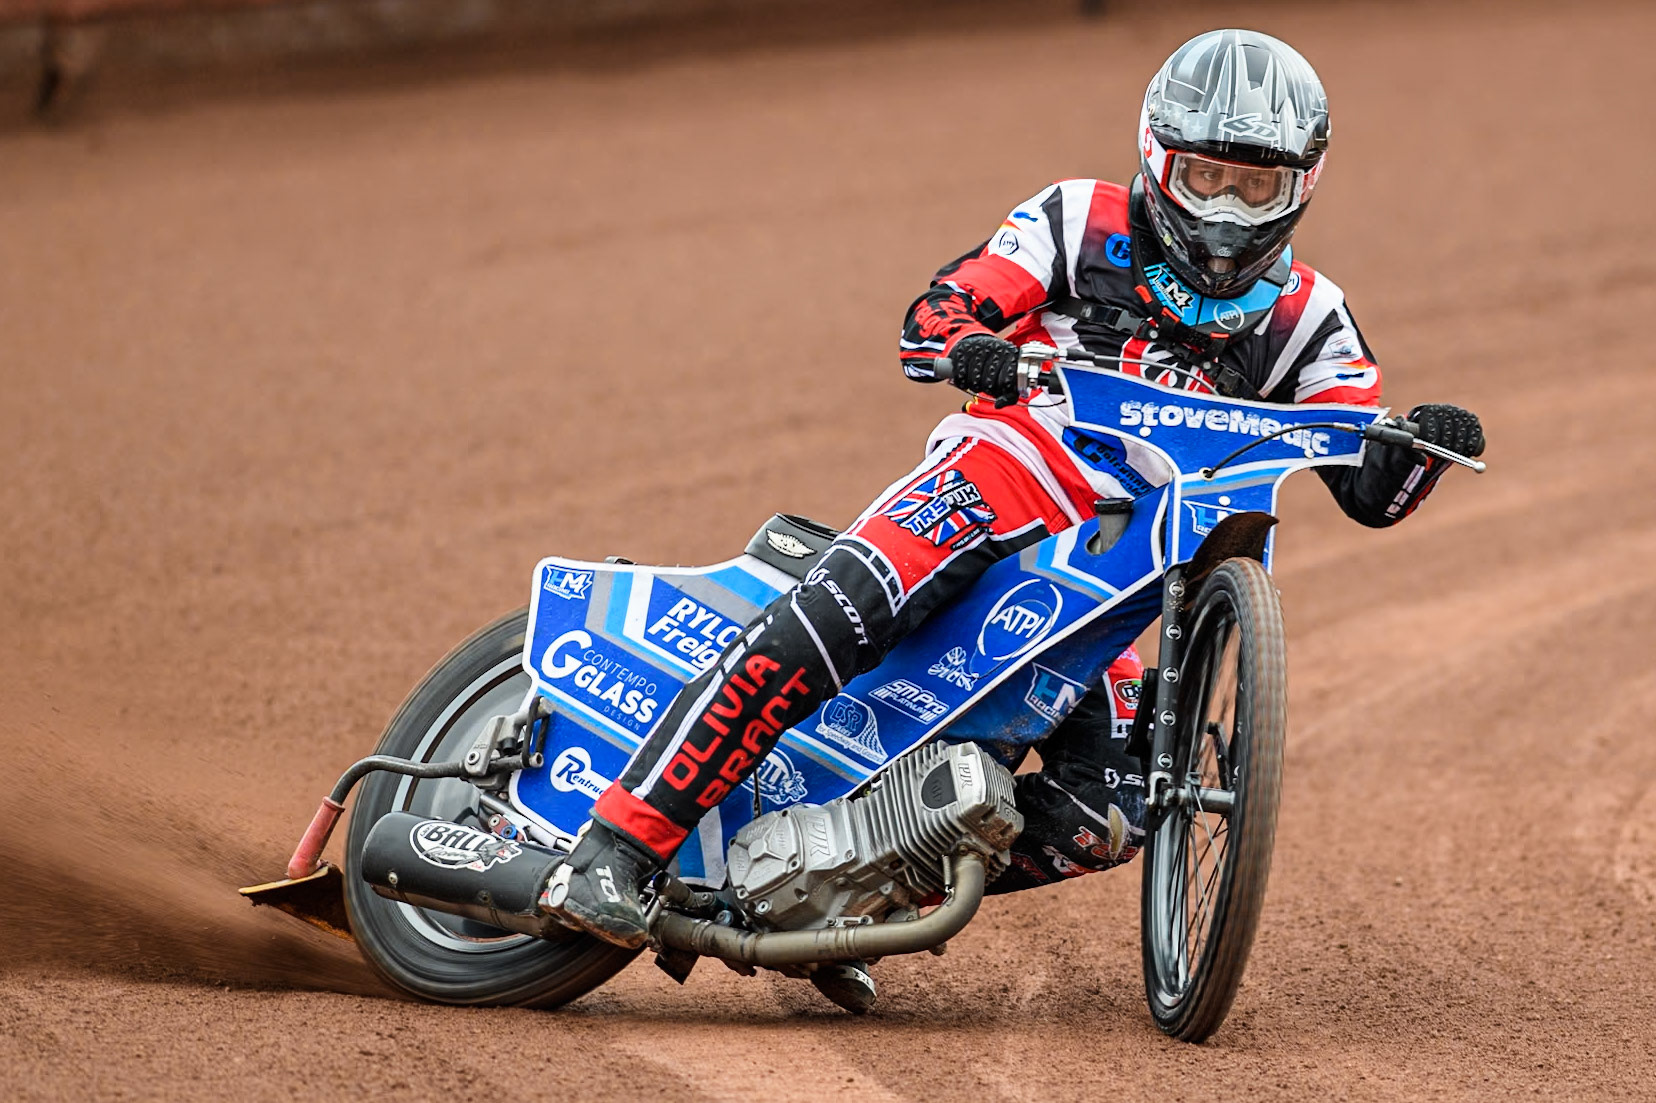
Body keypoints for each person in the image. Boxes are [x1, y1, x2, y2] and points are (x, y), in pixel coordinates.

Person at [541, 28, 1486, 948]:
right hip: (1006, 469)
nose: (1229, 209)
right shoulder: (1078, 218)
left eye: (1255, 184)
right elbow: (939, 312)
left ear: (1301, 187)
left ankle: (856, 893)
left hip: (1127, 571)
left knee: (1113, 808)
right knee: (843, 607)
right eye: (1207, 176)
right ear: (1159, 157)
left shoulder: (1312, 317)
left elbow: (1367, 480)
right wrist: (973, 347)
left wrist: (1423, 449)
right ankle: (616, 846)